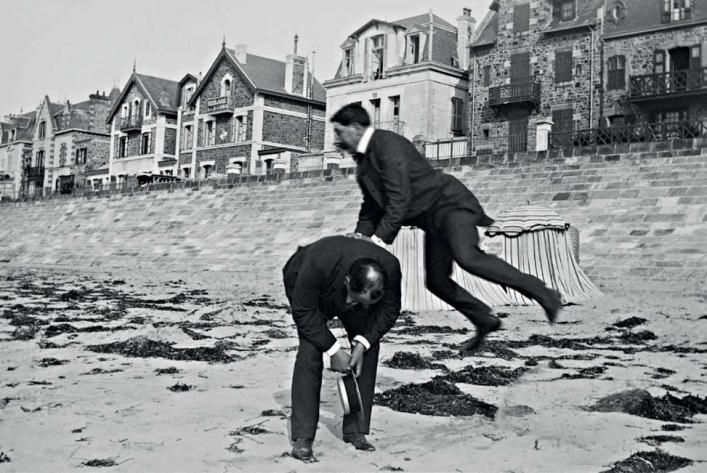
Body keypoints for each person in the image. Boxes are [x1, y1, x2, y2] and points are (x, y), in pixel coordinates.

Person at [330, 103, 562, 352]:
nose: (338, 139)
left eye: (340, 132)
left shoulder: (387, 145)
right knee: (437, 282)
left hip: (450, 205)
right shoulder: (364, 164)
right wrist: (360, 238)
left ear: (355, 128)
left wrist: (378, 240)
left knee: (468, 258)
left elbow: (400, 198)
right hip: (431, 219)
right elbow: (371, 207)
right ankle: (484, 319)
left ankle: (546, 294)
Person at [283, 235, 402, 461]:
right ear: (347, 281)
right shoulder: (317, 263)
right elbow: (303, 312)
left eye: (363, 302)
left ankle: (355, 430)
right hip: (307, 284)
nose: (351, 306)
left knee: (369, 347)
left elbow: (389, 310)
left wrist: (362, 342)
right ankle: (303, 437)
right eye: (353, 299)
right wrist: (334, 350)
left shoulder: (391, 268)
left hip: (353, 289)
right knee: (310, 349)